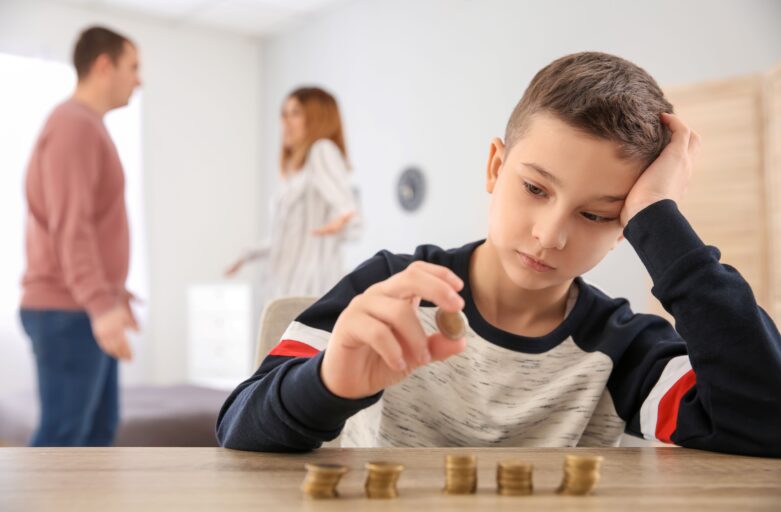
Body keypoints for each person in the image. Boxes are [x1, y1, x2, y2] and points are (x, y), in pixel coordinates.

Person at [216, 52, 781, 457]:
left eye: (598, 214)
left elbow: (765, 423)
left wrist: (662, 220)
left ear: (628, 227)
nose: (549, 235)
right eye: (535, 189)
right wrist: (328, 379)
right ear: (495, 167)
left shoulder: (626, 347)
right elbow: (237, 428)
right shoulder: (390, 284)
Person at [19, 26, 142, 446]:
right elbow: (72, 227)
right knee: (64, 441)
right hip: (68, 311)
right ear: (103, 65)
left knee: (95, 439)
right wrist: (99, 304)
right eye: (133, 67)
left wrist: (112, 297)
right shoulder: (74, 126)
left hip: (80, 308)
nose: (139, 79)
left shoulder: (86, 126)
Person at [225, 87, 360, 302]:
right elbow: (286, 240)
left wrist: (343, 218)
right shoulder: (297, 175)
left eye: (295, 113)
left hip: (310, 291)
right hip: (286, 289)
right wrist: (246, 255)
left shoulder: (321, 151)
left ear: (317, 117)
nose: (285, 121)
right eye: (284, 114)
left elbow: (351, 215)